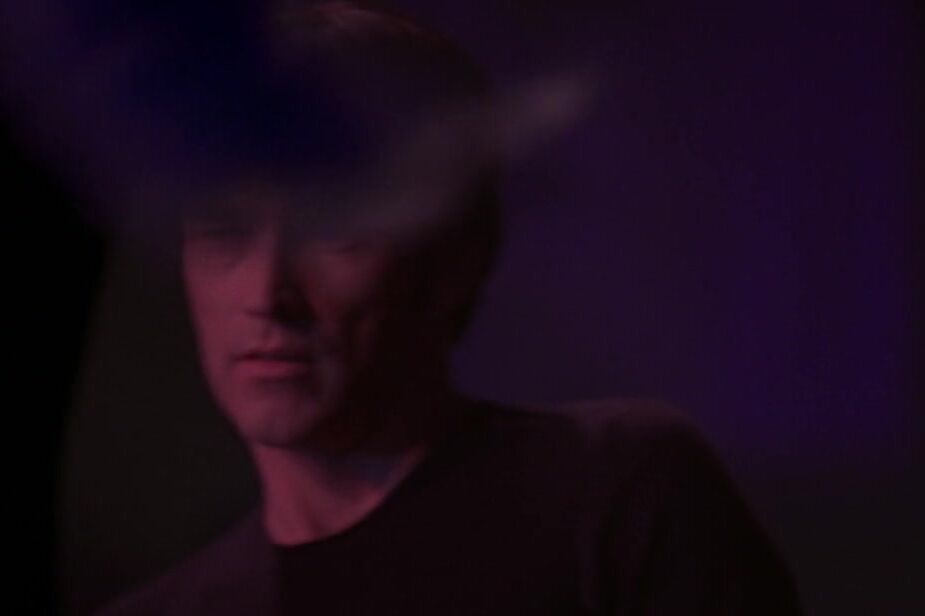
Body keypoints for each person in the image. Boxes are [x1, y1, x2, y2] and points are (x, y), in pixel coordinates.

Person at [95, 2, 801, 614]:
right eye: (224, 231)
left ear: (454, 258)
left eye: (335, 225)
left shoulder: (616, 494)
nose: (265, 295)